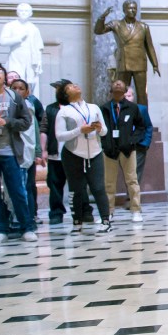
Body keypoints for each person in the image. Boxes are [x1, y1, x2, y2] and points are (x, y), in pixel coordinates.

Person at [0, 62, 35, 241]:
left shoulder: (14, 97)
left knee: (17, 191)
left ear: (5, 78)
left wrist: (9, 122)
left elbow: (26, 122)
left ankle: (27, 227)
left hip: (9, 151)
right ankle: (0, 229)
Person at [52, 80, 112, 233]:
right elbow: (59, 136)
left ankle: (106, 220)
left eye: (75, 84)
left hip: (95, 153)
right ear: (65, 94)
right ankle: (77, 221)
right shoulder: (64, 111)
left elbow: (105, 131)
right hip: (73, 154)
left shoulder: (93, 108)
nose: (75, 86)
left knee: (98, 187)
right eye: (70, 87)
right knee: (76, 189)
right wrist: (79, 130)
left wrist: (99, 129)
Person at [93, 0, 160, 104]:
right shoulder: (116, 24)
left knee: (142, 93)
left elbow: (149, 46)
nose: (133, 10)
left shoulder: (143, 26)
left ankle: (143, 116)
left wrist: (155, 64)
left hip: (140, 63)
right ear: (124, 10)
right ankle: (123, 113)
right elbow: (98, 31)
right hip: (124, 62)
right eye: (130, 8)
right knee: (122, 93)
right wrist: (102, 18)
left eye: (135, 8)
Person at [100, 79, 146, 223]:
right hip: (110, 150)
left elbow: (141, 127)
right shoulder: (104, 108)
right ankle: (109, 212)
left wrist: (132, 140)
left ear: (126, 90)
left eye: (121, 83)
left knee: (132, 180)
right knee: (108, 182)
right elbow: (99, 128)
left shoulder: (132, 107)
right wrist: (105, 143)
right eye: (115, 83)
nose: (118, 84)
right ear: (111, 90)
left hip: (128, 150)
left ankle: (136, 210)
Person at [10, 78, 42, 233]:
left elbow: (34, 130)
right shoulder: (6, 106)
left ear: (27, 92)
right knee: (13, 189)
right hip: (10, 151)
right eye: (14, 88)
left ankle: (28, 219)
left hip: (26, 151)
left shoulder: (29, 107)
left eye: (21, 88)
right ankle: (14, 219)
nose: (17, 91)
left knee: (26, 187)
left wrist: (38, 152)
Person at [43, 80, 70, 225]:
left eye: (59, 88)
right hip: (55, 153)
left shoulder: (76, 107)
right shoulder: (50, 109)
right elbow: (44, 129)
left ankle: (82, 210)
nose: (56, 91)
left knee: (77, 185)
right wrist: (44, 149)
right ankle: (56, 212)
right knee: (54, 185)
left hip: (74, 153)